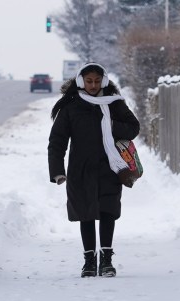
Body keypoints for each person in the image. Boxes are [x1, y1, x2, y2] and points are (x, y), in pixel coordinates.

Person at [48, 62, 140, 278]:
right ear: (81, 81)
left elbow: (133, 128)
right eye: (88, 81)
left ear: (104, 81)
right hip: (81, 170)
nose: (93, 85)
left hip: (111, 167)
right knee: (85, 214)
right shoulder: (70, 106)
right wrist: (57, 170)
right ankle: (89, 261)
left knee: (108, 212)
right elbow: (57, 141)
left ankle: (107, 260)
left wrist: (109, 125)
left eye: (97, 81)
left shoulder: (114, 104)